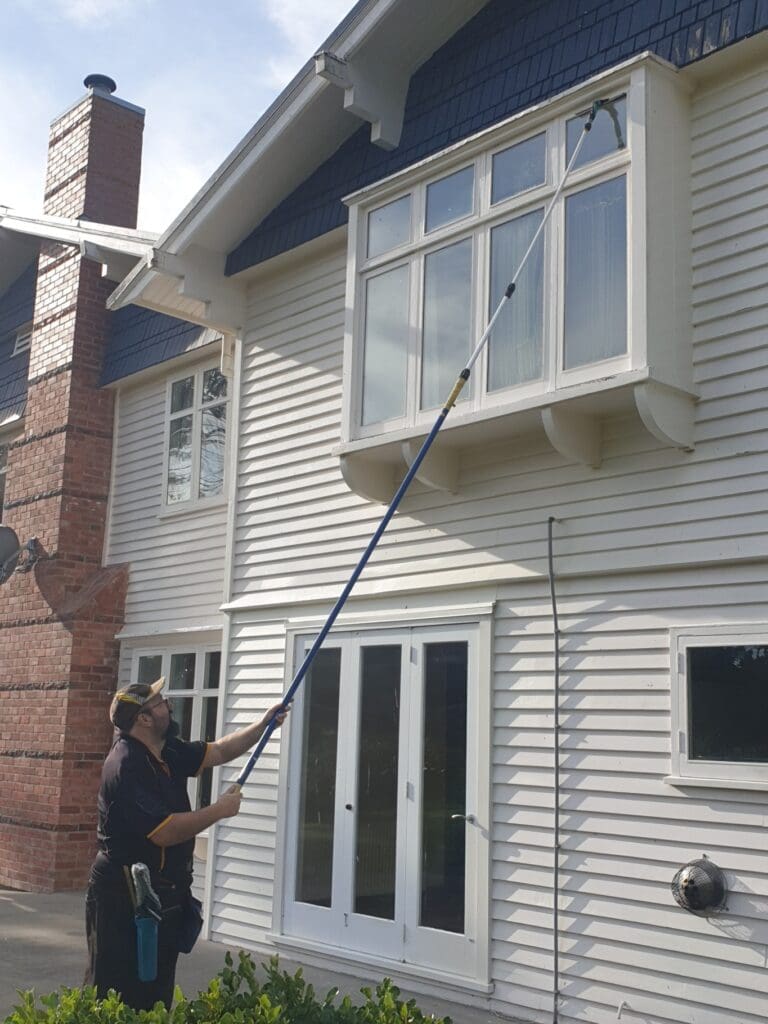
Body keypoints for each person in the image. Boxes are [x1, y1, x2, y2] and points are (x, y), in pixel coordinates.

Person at [84, 676, 287, 1010]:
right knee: (116, 990)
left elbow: (219, 751)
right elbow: (164, 831)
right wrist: (218, 810)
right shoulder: (126, 765)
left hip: (160, 892)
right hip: (121, 896)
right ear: (144, 719)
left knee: (156, 988)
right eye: (159, 702)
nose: (168, 705)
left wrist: (263, 725)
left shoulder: (166, 748)